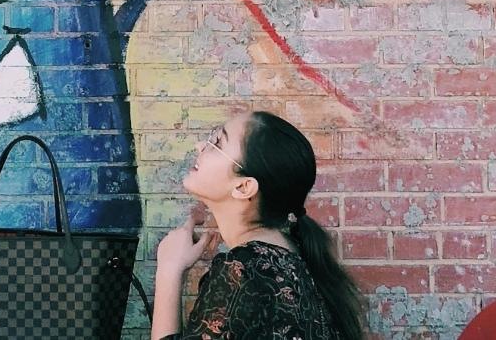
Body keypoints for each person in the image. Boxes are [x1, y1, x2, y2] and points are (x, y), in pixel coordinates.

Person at [151, 111, 365, 340]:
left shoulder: (244, 271)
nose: (200, 145)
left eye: (217, 142)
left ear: (243, 187)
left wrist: (169, 270)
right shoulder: (291, 259)